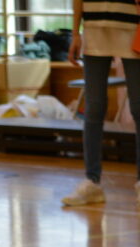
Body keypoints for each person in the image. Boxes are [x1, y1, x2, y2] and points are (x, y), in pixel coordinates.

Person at [61, 0, 140, 206]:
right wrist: (75, 33)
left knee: (138, 108)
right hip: (94, 28)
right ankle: (92, 181)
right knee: (94, 108)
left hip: (133, 26)